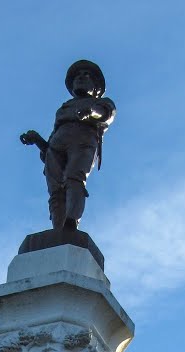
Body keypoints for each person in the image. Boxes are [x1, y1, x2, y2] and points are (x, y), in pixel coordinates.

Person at [20, 60, 116, 230]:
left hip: (83, 141)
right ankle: (58, 228)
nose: (80, 78)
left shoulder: (100, 103)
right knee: (56, 190)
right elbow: (50, 145)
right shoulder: (63, 109)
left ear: (96, 87)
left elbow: (106, 114)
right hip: (56, 146)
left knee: (74, 178)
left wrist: (91, 112)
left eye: (86, 75)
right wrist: (37, 140)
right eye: (77, 76)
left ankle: (71, 222)